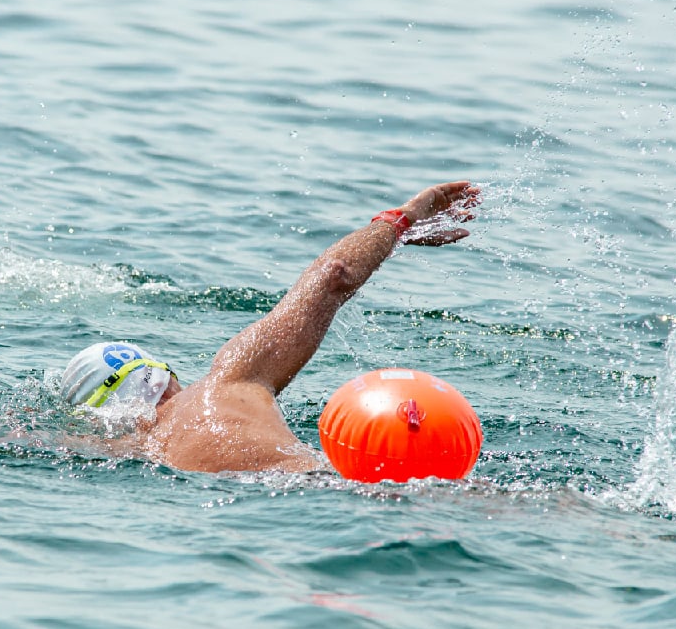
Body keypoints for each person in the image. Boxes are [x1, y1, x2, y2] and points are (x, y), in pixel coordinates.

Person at [58, 181, 481, 475]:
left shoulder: (129, 452)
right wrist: (400, 221)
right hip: (326, 481)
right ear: (167, 375)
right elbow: (334, 276)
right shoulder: (231, 379)